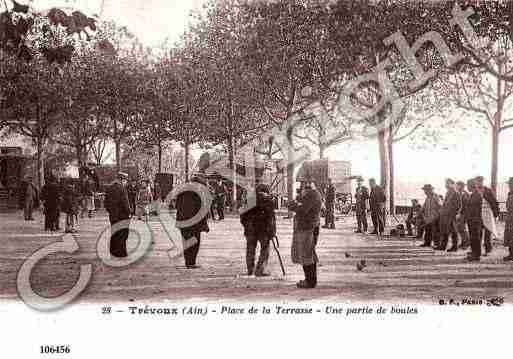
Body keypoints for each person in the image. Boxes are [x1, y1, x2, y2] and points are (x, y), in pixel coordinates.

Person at [289, 181, 322, 289]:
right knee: (307, 254)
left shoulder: (312, 194)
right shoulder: (310, 194)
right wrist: (296, 204)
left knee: (307, 254)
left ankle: (310, 281)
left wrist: (294, 205)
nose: (302, 186)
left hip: (308, 228)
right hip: (307, 227)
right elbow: (297, 204)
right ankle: (309, 279)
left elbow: (303, 209)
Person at [240, 183, 276, 276]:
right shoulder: (268, 201)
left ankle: (250, 270)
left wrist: (246, 226)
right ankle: (260, 270)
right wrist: (272, 231)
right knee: (265, 249)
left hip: (250, 229)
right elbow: (271, 218)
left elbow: (242, 216)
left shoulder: (249, 200)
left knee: (250, 249)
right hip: (263, 230)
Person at [175, 174, 210, 269]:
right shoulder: (199, 193)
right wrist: (204, 224)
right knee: (195, 242)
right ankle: (192, 262)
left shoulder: (182, 191)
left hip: (183, 221)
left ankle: (188, 262)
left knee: (186, 242)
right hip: (194, 222)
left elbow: (176, 205)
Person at [104, 172, 131, 258]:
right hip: (122, 215)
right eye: (125, 181)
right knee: (122, 234)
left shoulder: (109, 188)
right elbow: (125, 203)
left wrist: (111, 211)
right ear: (122, 180)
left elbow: (106, 203)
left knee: (114, 233)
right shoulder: (122, 189)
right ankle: (121, 253)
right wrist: (129, 212)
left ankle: (113, 252)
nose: (126, 183)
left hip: (113, 216)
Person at [474, 176, 499, 255]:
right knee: (478, 233)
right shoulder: (475, 191)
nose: (479, 183)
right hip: (477, 215)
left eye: (480, 181)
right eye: (477, 181)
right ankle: (478, 250)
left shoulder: (488, 191)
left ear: (483, 182)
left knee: (488, 233)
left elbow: (494, 202)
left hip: (487, 214)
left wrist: (496, 214)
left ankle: (488, 249)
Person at [437, 178, 460, 251]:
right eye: (446, 183)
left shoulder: (455, 193)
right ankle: (443, 246)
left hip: (451, 215)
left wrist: (454, 214)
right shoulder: (448, 193)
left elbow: (458, 205)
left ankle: (455, 246)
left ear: (452, 184)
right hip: (445, 215)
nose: (446, 185)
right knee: (445, 231)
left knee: (453, 231)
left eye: (448, 183)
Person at [465, 179, 484, 262]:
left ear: (471, 185)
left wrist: (473, 218)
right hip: (472, 219)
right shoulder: (473, 194)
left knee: (475, 237)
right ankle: (474, 252)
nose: (467, 187)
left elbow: (476, 209)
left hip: (475, 220)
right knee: (473, 237)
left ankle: (476, 255)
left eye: (467, 185)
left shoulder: (477, 195)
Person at [455, 181, 470, 249]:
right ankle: (464, 242)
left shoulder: (464, 194)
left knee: (462, 228)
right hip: (461, 213)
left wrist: (460, 213)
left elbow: (464, 205)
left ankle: (466, 243)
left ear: (461, 186)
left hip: (463, 213)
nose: (456, 187)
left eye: (458, 185)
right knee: (460, 228)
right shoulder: (460, 193)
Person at [503, 177, 513, 261]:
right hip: (509, 218)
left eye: (511, 184)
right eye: (509, 184)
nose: (509, 186)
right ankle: (511, 253)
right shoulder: (509, 194)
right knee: (509, 236)